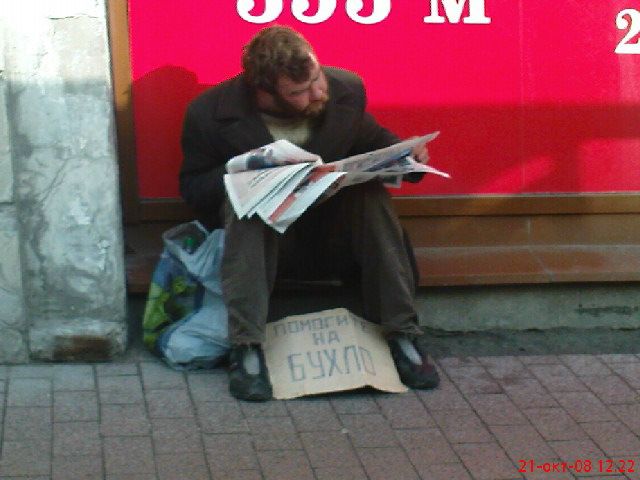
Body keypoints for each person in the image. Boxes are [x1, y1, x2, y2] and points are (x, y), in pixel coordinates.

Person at [180, 25, 440, 401]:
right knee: (244, 205)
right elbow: (193, 190)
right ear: (263, 91)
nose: (318, 92)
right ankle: (247, 347)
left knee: (369, 196)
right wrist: (244, 178)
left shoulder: (344, 89)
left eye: (317, 77)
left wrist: (407, 155)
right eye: (299, 91)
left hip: (334, 239)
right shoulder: (209, 113)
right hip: (267, 246)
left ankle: (402, 334)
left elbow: (373, 139)